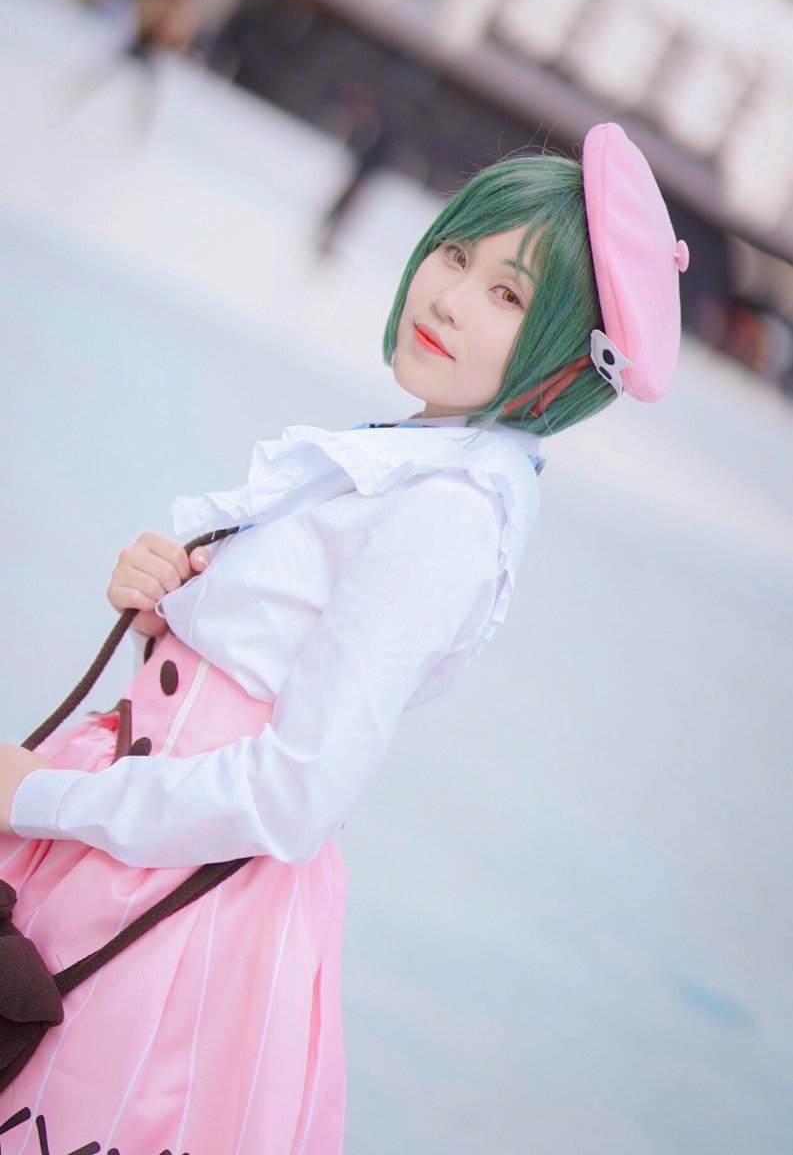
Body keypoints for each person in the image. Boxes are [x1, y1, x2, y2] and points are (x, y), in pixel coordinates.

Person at [0, 122, 688, 1152]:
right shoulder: (423, 459)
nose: (448, 299)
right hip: (133, 843)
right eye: (455, 253)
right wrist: (174, 603)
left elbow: (294, 792)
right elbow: (267, 660)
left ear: (565, 362)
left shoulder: (448, 513)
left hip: (169, 893)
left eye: (509, 296)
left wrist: (38, 798)